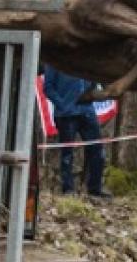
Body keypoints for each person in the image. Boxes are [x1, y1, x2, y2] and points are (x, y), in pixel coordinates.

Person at [43, 66, 108, 197]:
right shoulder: (56, 61)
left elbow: (96, 80)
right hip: (66, 115)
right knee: (67, 154)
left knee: (97, 151)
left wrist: (93, 94)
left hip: (87, 111)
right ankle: (68, 189)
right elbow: (47, 88)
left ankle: (95, 189)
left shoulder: (85, 59)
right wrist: (62, 105)